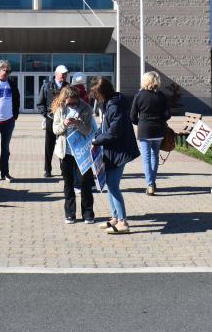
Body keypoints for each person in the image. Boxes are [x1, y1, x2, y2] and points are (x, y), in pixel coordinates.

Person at [91, 76, 139, 234]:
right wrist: (95, 137)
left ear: (103, 92)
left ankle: (123, 222)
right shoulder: (108, 104)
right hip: (112, 150)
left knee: (113, 185)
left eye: (96, 94)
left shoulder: (115, 106)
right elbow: (104, 127)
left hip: (120, 150)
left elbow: (113, 132)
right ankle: (115, 217)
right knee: (109, 185)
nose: (95, 97)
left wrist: (97, 141)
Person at [51, 85, 96, 224]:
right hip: (65, 152)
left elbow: (88, 130)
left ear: (78, 98)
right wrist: (64, 124)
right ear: (64, 99)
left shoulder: (86, 109)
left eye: (73, 102)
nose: (71, 104)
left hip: (82, 151)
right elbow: (55, 130)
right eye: (68, 102)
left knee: (85, 183)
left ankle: (88, 213)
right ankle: (70, 214)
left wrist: (78, 123)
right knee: (68, 183)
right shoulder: (60, 109)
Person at [130, 71, 170, 196]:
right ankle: (152, 181)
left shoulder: (139, 95)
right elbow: (168, 114)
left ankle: (150, 184)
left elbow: (132, 116)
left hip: (144, 130)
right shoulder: (162, 96)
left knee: (146, 158)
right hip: (158, 130)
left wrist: (140, 123)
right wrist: (160, 120)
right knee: (155, 156)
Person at [35, 65, 69, 178]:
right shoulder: (47, 86)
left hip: (64, 121)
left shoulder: (68, 87)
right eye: (62, 74)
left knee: (63, 145)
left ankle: (64, 170)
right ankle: (47, 170)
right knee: (49, 146)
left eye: (65, 74)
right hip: (51, 120)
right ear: (56, 74)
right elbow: (40, 103)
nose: (64, 76)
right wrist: (46, 115)